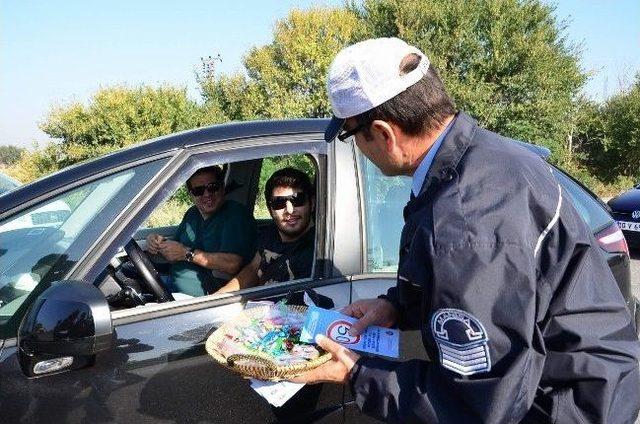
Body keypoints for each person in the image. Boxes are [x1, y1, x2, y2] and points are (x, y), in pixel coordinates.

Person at [292, 37, 640, 423]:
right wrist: (395, 307)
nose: (355, 145)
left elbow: (481, 406)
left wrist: (358, 375)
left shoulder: (465, 225)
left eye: (350, 134)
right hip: (588, 383)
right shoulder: (483, 156)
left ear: (384, 133)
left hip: (567, 407)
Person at [146, 166, 256, 296]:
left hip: (206, 297)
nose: (207, 194)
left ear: (222, 187)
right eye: (198, 190)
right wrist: (156, 242)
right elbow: (175, 251)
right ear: (191, 193)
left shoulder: (236, 215)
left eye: (212, 187)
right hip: (172, 286)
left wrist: (186, 253)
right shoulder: (192, 213)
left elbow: (232, 264)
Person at [216, 167, 314, 294]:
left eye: (297, 200)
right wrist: (219, 297)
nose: (289, 210)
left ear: (312, 203)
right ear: (270, 210)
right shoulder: (271, 233)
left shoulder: (320, 248)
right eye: (279, 203)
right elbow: (253, 269)